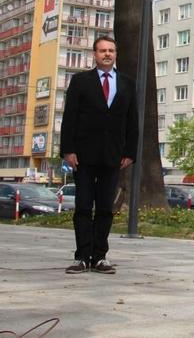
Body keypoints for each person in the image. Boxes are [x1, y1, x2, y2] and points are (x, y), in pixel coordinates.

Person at [60, 35, 137, 275]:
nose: (107, 54)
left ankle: (100, 257)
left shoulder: (126, 83)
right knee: (83, 206)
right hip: (83, 155)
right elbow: (69, 117)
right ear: (94, 54)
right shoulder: (81, 81)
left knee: (105, 207)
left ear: (115, 54)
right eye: (102, 50)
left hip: (113, 156)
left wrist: (130, 152)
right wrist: (68, 150)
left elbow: (132, 120)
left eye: (111, 51)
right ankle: (82, 256)